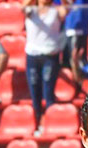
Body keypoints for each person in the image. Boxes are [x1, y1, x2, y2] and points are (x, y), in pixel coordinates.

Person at [24, 0, 67, 135]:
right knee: (35, 90)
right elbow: (22, 8)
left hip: (50, 55)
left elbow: (65, 9)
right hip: (33, 55)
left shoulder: (55, 11)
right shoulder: (31, 10)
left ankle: (49, 123)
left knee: (48, 91)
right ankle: (36, 123)